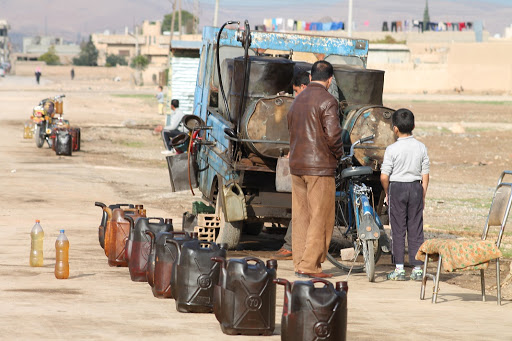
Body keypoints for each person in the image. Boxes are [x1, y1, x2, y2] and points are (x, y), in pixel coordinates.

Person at [286, 60, 343, 278]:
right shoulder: (328, 101)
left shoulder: (297, 100)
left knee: (301, 217)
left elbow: (290, 129)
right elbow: (333, 135)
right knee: (321, 217)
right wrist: (338, 155)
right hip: (319, 167)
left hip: (297, 167)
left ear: (310, 78)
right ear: (330, 80)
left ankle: (300, 263)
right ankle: (310, 266)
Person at [380, 108, 430, 281]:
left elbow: (384, 176)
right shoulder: (421, 147)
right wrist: (422, 194)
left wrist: (387, 192)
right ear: (414, 126)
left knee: (398, 229)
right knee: (416, 228)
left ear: (395, 128)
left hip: (397, 188)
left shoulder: (392, 149)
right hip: (415, 188)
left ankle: (399, 269)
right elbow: (425, 175)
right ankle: (417, 268)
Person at [274, 70, 310, 260]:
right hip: (316, 164)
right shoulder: (324, 101)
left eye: (296, 91)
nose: (295, 95)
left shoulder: (303, 105)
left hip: (308, 165)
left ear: (303, 87)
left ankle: (293, 247)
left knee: (302, 206)